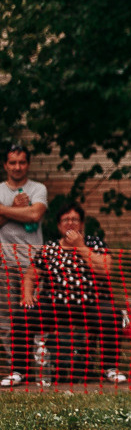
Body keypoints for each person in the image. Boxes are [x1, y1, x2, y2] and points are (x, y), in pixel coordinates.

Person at [12, 203, 127, 384]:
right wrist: (27, 294)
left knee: (112, 315)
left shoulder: (94, 243)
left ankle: (109, 368)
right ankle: (20, 372)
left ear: (81, 224)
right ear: (59, 225)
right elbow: (30, 276)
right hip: (54, 305)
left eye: (74, 220)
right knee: (22, 316)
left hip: (90, 304)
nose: (70, 223)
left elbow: (105, 268)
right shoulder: (50, 248)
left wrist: (80, 246)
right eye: (66, 220)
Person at [1, 144, 48, 387]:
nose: (17, 167)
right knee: (8, 319)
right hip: (5, 263)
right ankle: (16, 369)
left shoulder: (38, 188)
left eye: (22, 162)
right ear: (5, 165)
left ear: (27, 164)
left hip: (34, 264)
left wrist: (5, 211)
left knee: (35, 315)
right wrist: (17, 208)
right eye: (13, 162)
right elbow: (25, 213)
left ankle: (40, 368)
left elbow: (34, 215)